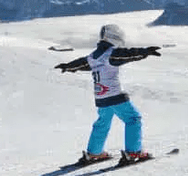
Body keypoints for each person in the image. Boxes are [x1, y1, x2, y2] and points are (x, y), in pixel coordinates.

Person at [55, 23, 160, 166]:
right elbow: (128, 54)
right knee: (133, 119)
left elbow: (80, 63)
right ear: (114, 37)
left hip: (101, 98)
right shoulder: (111, 53)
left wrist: (68, 66)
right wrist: (145, 52)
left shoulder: (94, 56)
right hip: (114, 95)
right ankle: (134, 152)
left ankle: (94, 153)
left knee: (102, 123)